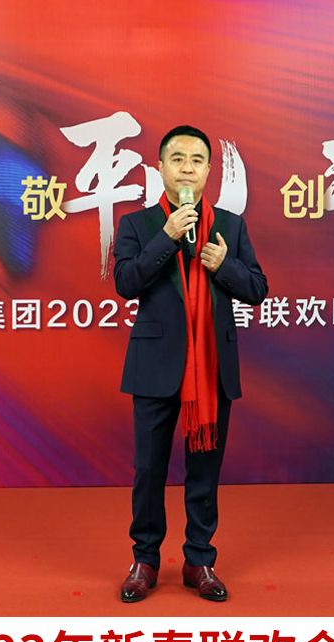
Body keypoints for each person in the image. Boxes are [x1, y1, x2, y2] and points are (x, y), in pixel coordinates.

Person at [113, 125, 268, 602]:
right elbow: (126, 282)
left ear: (208, 171)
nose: (186, 168)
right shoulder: (137, 225)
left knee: (204, 469)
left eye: (196, 160)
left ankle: (199, 559)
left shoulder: (231, 227)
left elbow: (257, 289)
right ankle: (145, 560)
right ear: (160, 167)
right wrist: (166, 237)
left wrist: (225, 265)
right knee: (149, 469)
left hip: (212, 366)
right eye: (177, 159)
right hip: (156, 365)